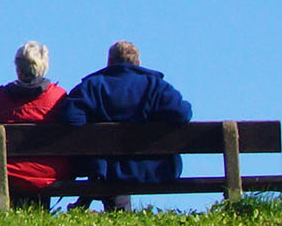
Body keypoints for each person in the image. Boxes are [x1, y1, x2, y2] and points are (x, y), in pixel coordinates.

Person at [53, 41, 193, 212]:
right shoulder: (156, 86)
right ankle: (102, 206)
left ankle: (86, 203)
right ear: (138, 63)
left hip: (105, 169)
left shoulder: (92, 86)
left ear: (109, 62)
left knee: (103, 162)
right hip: (149, 168)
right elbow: (182, 114)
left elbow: (71, 117)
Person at [0, 41, 68, 210]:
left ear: (18, 67)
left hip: (7, 174)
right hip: (47, 175)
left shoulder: (3, 98)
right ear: (43, 65)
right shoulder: (58, 96)